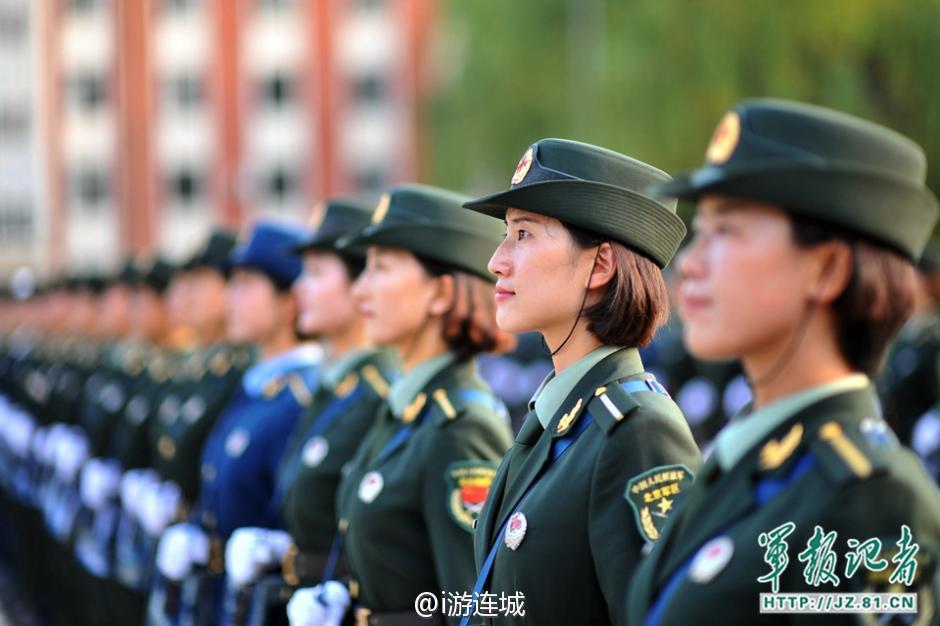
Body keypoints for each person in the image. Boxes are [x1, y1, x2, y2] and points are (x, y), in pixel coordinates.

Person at [626, 99, 940, 625]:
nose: (691, 265)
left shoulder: (871, 502)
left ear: (828, 268)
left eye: (726, 230)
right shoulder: (739, 461)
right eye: (700, 231)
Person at [460, 138, 701, 625]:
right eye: (507, 233)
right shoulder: (552, 426)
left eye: (524, 235)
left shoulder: (636, 433)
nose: (497, 261)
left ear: (601, 264)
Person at [286, 184, 515, 626]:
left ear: (441, 294)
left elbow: (478, 605)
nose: (360, 292)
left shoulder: (461, 426)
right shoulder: (405, 411)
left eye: (381, 269)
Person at [222, 198, 399, 626]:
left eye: (317, 273)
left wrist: (341, 587)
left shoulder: (377, 397)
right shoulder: (327, 391)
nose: (299, 287)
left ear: (360, 289)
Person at [150, 220, 320, 626]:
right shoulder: (255, 386)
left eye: (246, 284)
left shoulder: (301, 398)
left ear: (287, 303)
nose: (231, 298)